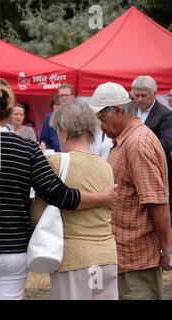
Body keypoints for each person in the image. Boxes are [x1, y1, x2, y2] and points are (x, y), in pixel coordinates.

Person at [0, 76, 117, 300]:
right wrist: (100, 198)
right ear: (9, 111)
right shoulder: (27, 149)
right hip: (12, 249)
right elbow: (58, 194)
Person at [91, 81, 171, 300]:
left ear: (116, 111)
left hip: (138, 260)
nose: (100, 125)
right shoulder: (126, 140)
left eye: (101, 117)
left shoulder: (137, 144)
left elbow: (156, 202)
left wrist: (167, 250)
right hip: (126, 257)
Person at [31, 100, 118, 300]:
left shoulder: (55, 162)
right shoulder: (106, 166)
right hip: (107, 256)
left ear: (63, 131)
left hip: (73, 259)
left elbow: (38, 214)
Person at [132, 76, 172, 228]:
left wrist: (140, 145)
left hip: (156, 171)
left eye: (144, 95)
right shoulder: (130, 109)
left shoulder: (165, 114)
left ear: (154, 94)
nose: (140, 99)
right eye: (136, 95)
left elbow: (168, 143)